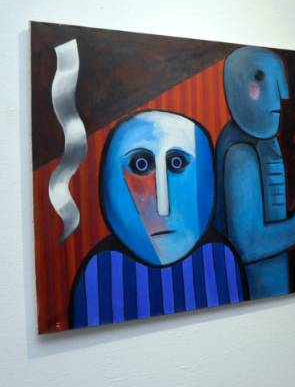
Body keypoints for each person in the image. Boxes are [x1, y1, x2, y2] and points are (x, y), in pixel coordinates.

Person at [70, 111, 248, 329]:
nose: (163, 207)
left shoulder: (219, 259)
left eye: (177, 163)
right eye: (140, 165)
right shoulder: (100, 274)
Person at [214, 47, 295, 299]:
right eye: (259, 83)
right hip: (253, 289)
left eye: (278, 87)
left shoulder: (263, 142)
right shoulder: (241, 153)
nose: (278, 100)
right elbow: (246, 244)